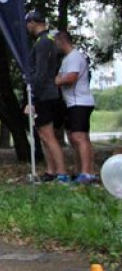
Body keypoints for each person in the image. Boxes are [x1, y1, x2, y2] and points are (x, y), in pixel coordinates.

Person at [25, 10, 69, 183]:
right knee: (44, 135)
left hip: (45, 94)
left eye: (28, 24)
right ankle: (51, 171)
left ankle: (61, 173)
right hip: (50, 92)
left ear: (33, 23)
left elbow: (41, 72)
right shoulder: (49, 40)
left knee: (47, 135)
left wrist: (33, 97)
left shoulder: (43, 42)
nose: (27, 28)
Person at [55, 30, 98, 184]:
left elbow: (70, 78)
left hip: (80, 102)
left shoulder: (74, 57)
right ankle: (83, 170)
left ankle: (87, 173)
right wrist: (59, 79)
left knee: (79, 137)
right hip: (72, 103)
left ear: (62, 41)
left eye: (56, 42)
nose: (55, 45)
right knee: (76, 138)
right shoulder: (67, 59)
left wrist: (58, 81)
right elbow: (60, 76)